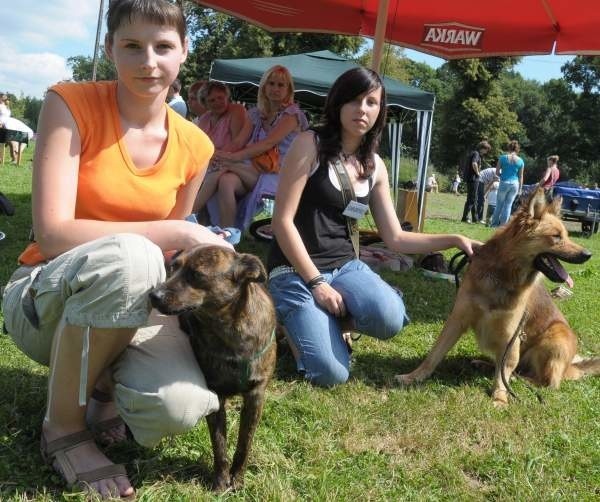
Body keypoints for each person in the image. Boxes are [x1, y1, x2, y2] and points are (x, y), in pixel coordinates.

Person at [1, 1, 231, 498]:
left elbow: (168, 265)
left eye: (163, 46)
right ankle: (63, 428)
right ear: (109, 50)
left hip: (135, 297)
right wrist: (179, 233)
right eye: (131, 45)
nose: (148, 60)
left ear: (184, 52)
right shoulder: (69, 102)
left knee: (178, 406)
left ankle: (102, 385)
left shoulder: (196, 145)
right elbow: (53, 234)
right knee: (132, 254)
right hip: (42, 299)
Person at [267, 67, 479, 388]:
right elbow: (281, 222)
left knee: (390, 318)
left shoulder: (375, 165)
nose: (361, 109)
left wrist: (453, 238)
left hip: (344, 267)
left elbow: (395, 237)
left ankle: (321, 319)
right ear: (338, 103)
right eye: (353, 100)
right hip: (294, 270)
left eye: (371, 102)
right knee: (331, 375)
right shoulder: (309, 143)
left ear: (380, 111)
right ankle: (290, 325)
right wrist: (317, 284)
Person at [203, 65, 308, 228]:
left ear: (288, 89)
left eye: (281, 85)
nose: (275, 89)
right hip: (253, 169)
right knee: (226, 181)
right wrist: (219, 154)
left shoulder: (292, 114)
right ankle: (228, 234)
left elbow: (267, 143)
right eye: (271, 84)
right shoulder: (256, 113)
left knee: (223, 166)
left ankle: (185, 215)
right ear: (264, 87)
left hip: (279, 174)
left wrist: (229, 158)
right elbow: (239, 141)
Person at [191, 81, 250, 216]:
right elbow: (200, 147)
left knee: (216, 174)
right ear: (205, 104)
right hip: (213, 162)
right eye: (212, 100)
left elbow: (237, 143)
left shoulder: (236, 110)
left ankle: (188, 213)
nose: (218, 102)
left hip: (235, 161)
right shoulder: (205, 119)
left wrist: (215, 156)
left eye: (220, 98)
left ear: (226, 97)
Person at [490, 140, 525, 227]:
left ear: (509, 148)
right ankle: (502, 226)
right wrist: (520, 189)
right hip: (515, 184)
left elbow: (497, 173)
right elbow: (521, 176)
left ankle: (494, 224)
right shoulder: (521, 161)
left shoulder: (502, 158)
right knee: (508, 205)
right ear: (517, 149)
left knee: (499, 204)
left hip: (504, 182)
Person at [461, 140, 491, 223]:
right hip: (473, 178)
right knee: (471, 199)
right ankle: (465, 217)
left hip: (471, 178)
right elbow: (474, 164)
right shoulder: (476, 154)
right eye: (486, 150)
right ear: (483, 148)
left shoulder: (473, 153)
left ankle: (475, 218)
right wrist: (478, 173)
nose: (486, 152)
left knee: (474, 198)